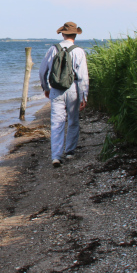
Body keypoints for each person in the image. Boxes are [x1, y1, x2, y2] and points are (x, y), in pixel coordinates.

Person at [39, 22, 89, 167]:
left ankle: (56, 156)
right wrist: (83, 95)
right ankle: (70, 152)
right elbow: (83, 77)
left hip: (56, 90)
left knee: (57, 122)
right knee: (73, 120)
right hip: (73, 88)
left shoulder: (53, 49)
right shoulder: (79, 51)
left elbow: (42, 71)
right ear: (75, 35)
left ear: (62, 33)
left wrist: (45, 88)